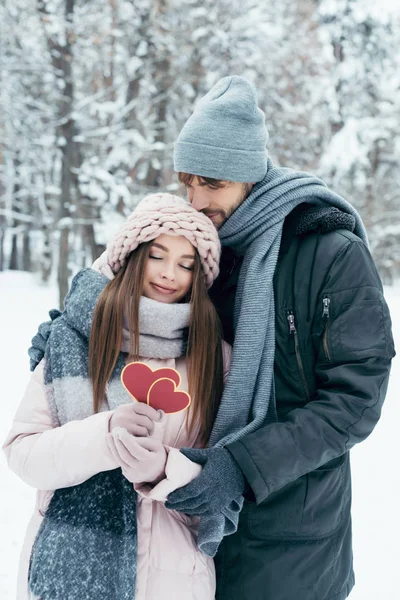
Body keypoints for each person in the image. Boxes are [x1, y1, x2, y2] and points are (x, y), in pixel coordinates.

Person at [24, 76, 395, 600]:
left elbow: (354, 400)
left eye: (213, 184)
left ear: (249, 175)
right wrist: (74, 325)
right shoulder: (200, 249)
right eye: (188, 182)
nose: (197, 201)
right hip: (184, 529)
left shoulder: (328, 253)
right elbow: (129, 290)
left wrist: (240, 466)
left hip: (290, 538)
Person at [3, 193, 232, 600]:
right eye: (157, 256)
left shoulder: (214, 356)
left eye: (186, 264)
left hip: (174, 578)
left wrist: (165, 469)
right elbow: (23, 454)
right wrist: (104, 437)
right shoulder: (73, 339)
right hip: (66, 565)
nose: (168, 274)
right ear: (131, 256)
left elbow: (225, 477)